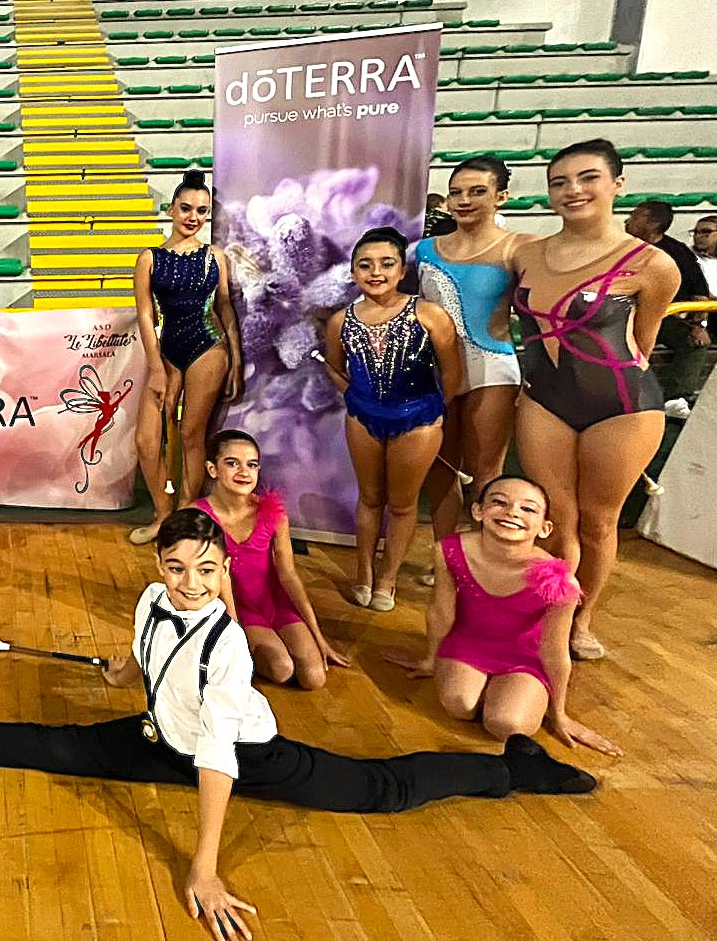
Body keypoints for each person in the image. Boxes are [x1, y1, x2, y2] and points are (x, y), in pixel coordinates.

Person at [0, 508, 599, 940]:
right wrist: (121, 673)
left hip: (247, 754)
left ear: (222, 571)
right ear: (159, 562)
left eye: (206, 570)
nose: (189, 582)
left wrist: (205, 868)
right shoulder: (153, 599)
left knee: (380, 792)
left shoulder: (225, 647)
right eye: (177, 566)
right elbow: (141, 652)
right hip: (162, 734)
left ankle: (510, 766)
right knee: (59, 745)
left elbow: (217, 757)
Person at [511, 140, 680, 660]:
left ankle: (582, 619)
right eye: (559, 182)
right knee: (556, 518)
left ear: (617, 185)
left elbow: (643, 343)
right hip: (545, 400)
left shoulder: (653, 264)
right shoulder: (525, 253)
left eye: (587, 178)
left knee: (598, 520)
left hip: (623, 405)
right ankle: (550, 612)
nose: (572, 191)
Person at [385, 476, 622, 757]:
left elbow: (555, 649)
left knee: (507, 724)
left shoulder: (560, 581)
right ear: (478, 511)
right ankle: (492, 690)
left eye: (528, 509)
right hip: (468, 644)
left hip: (524, 658)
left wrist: (560, 714)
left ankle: (517, 694)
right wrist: (430, 658)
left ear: (545, 528)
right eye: (499, 502)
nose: (512, 512)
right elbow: (441, 612)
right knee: (459, 705)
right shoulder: (450, 551)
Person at [324, 226, 462, 612]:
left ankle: (387, 580)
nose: (376, 272)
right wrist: (354, 395)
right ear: (353, 273)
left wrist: (433, 414)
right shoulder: (341, 320)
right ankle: (364, 573)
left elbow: (452, 373)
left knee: (402, 504)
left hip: (417, 418)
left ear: (402, 270)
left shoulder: (429, 315)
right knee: (369, 498)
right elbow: (334, 367)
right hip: (364, 416)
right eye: (365, 265)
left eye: (386, 264)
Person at [415, 156, 527, 542]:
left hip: (491, 368)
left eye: (477, 192)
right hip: (436, 371)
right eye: (456, 192)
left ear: (501, 197)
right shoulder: (423, 250)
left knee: (486, 472)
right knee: (441, 467)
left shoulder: (519, 248)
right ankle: (446, 554)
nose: (464, 200)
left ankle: (487, 558)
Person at [130, 170, 243, 544]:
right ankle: (162, 514)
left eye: (201, 210)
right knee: (147, 440)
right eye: (186, 208)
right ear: (171, 209)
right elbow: (146, 314)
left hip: (208, 347)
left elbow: (225, 306)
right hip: (167, 350)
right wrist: (155, 367)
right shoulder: (150, 258)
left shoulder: (215, 257)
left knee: (192, 436)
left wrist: (236, 358)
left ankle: (186, 516)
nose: (193, 217)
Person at [192, 430, 348, 688]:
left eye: (251, 464)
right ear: (212, 469)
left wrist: (318, 636)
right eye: (232, 463)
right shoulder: (198, 516)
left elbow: (288, 574)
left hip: (274, 601)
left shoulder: (273, 511)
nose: (244, 472)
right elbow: (213, 578)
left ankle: (281, 640)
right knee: (282, 669)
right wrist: (233, 632)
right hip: (238, 606)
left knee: (314, 678)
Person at [624, 197, 712, 411]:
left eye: (635, 215)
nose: (627, 220)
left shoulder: (677, 252)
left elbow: (700, 295)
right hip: (624, 316)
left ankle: (676, 398)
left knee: (694, 343)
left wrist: (699, 327)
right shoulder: (619, 247)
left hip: (666, 318)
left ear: (652, 223)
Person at [691, 213, 717, 341]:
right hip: (708, 313)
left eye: (706, 232)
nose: (698, 236)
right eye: (695, 232)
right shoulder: (689, 258)